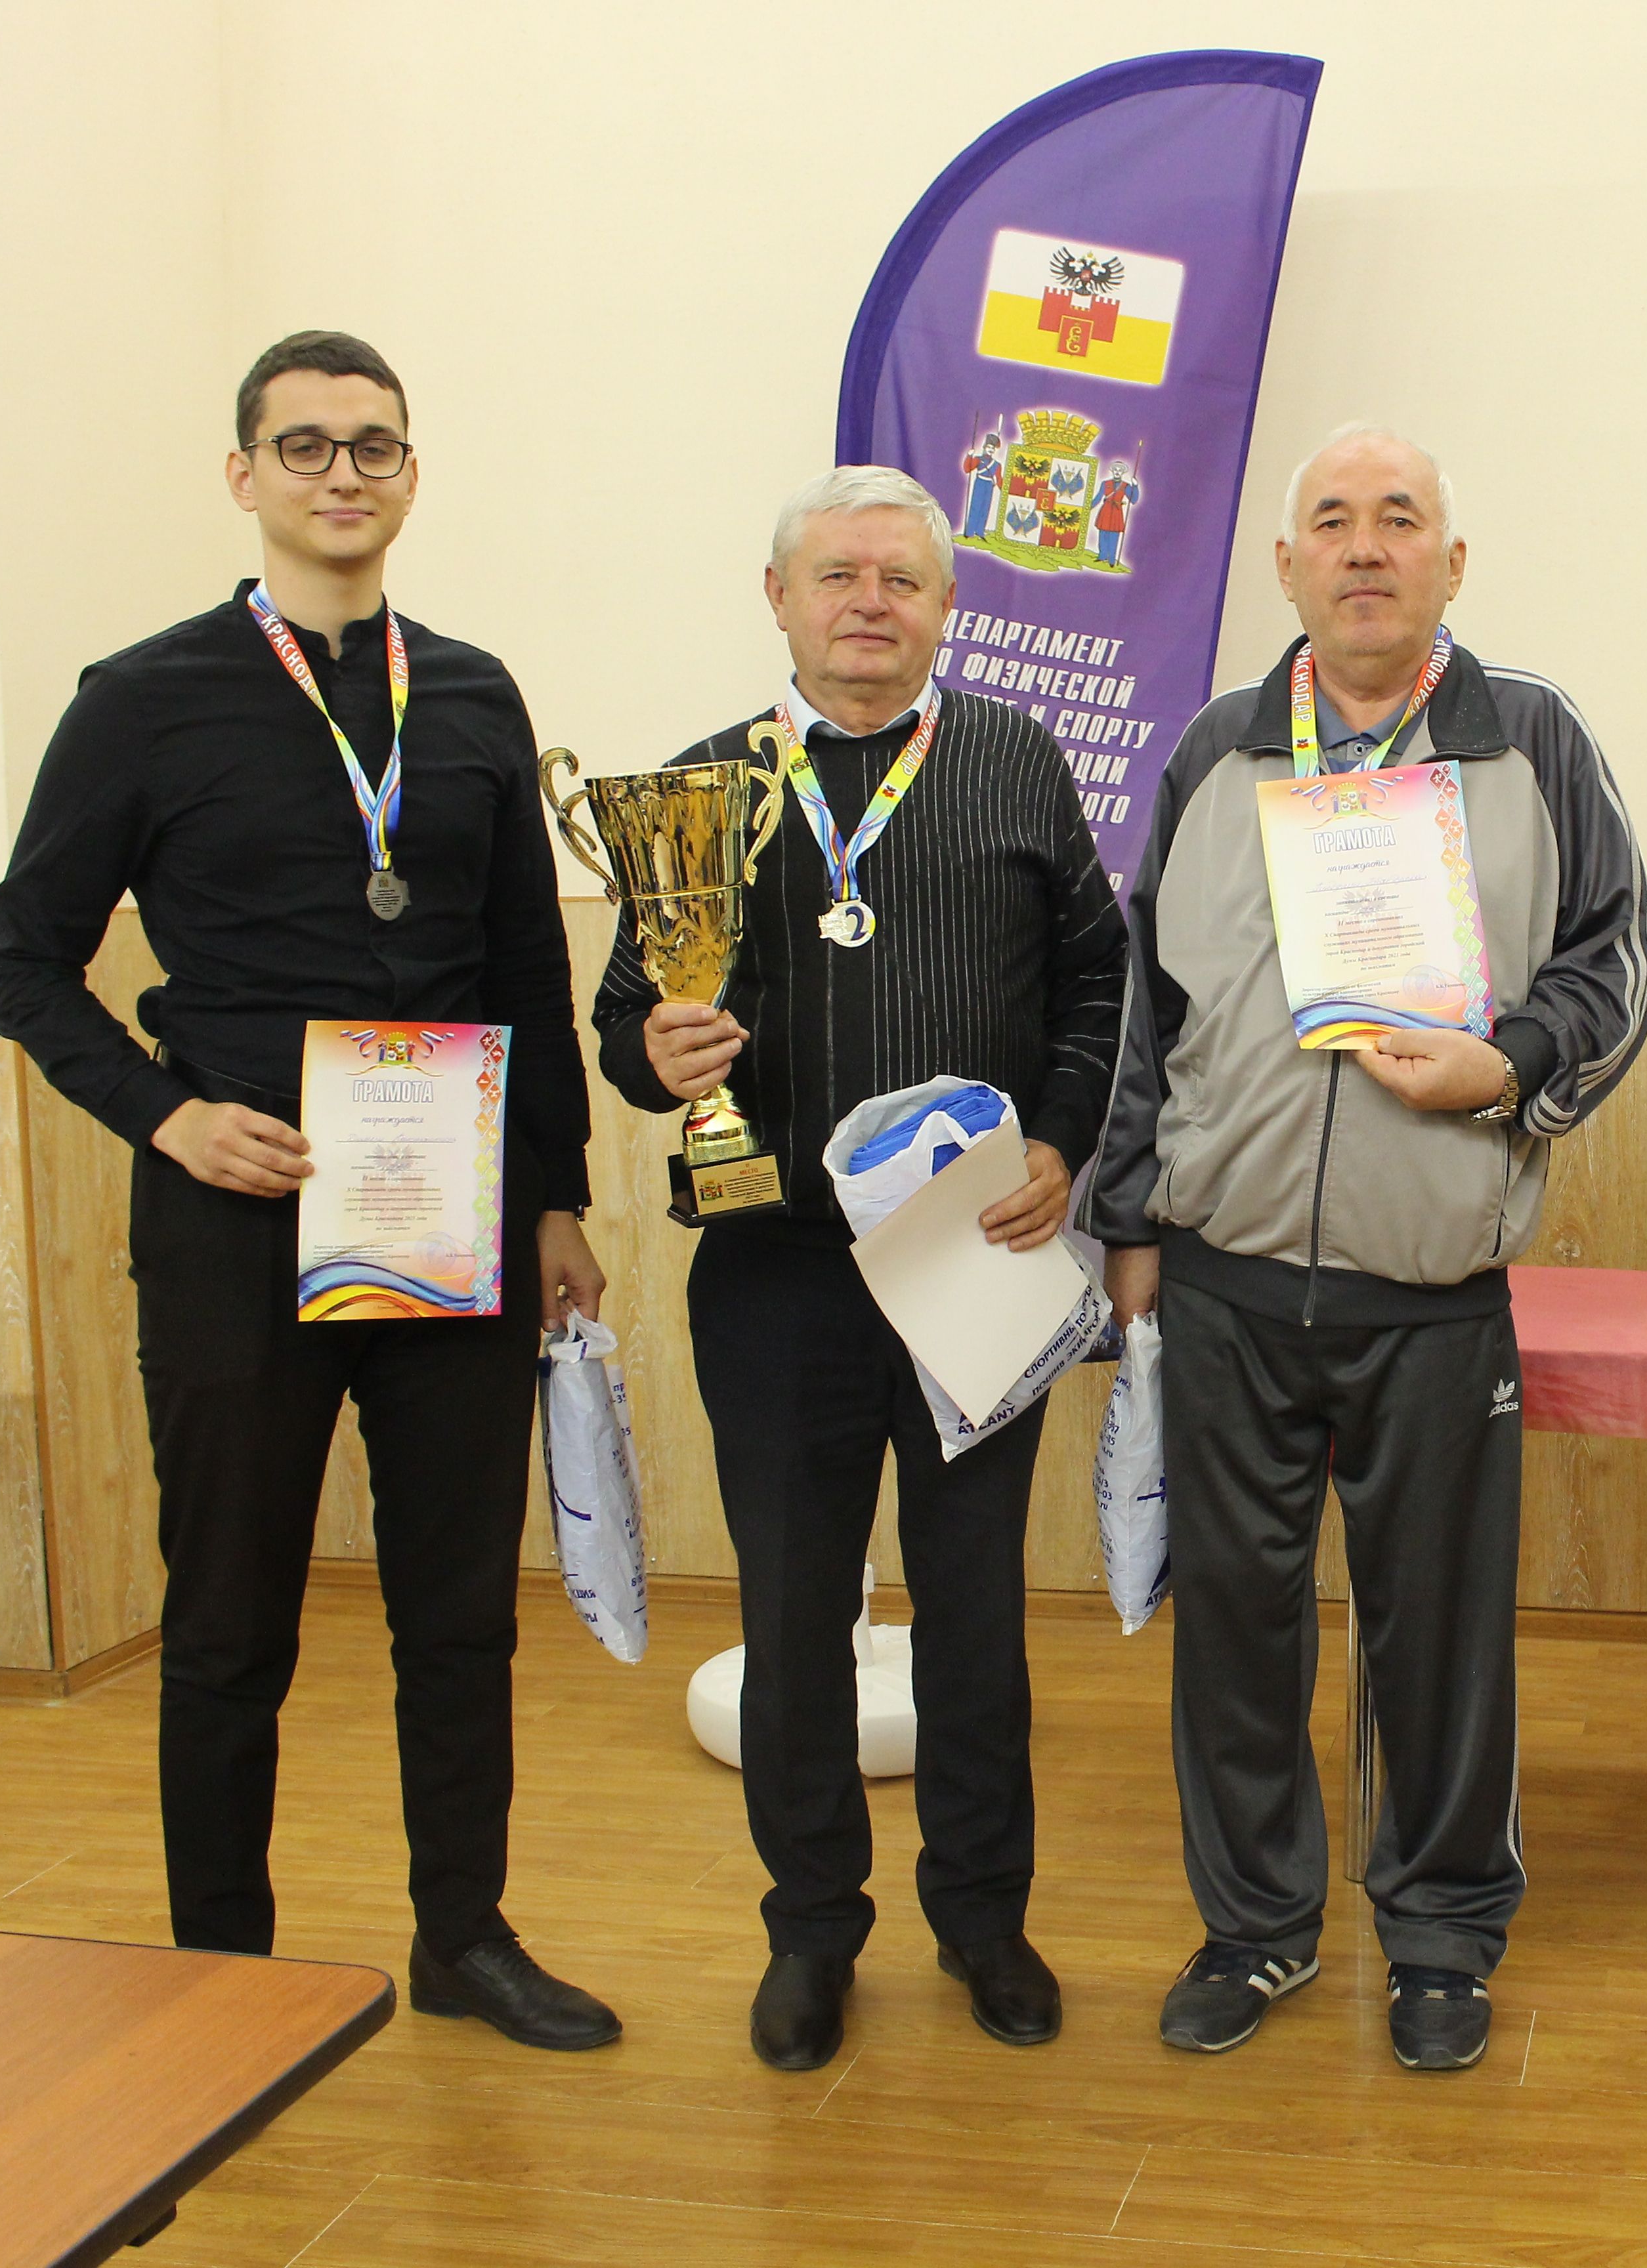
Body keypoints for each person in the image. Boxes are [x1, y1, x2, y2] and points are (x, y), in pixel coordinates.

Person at [0, 331, 620, 2048]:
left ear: (411, 474)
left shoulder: (472, 695)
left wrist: (555, 1197)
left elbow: (524, 969)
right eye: (309, 445)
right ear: (245, 474)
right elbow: (23, 960)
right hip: (237, 1217)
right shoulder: (142, 699)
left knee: (459, 1618)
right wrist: (168, 1119)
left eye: (375, 446)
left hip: (452, 1214)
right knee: (229, 1619)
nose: (345, 474)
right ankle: (221, 1978)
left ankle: (465, 1941)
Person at [1089, 423, 1647, 2073]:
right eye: (1330, 522)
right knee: (1237, 1633)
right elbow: (1143, 1009)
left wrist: (1514, 1067)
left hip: (1433, 1289)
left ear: (1451, 563)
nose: (1363, 547)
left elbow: (1618, 961)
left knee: (1441, 1640)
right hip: (1227, 1275)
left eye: (1398, 519)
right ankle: (1256, 1929)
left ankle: (1443, 1936)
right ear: (1285, 568)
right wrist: (1132, 1220)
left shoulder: (1530, 740)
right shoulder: (1216, 750)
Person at [593, 466, 1125, 2074]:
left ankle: (983, 1920)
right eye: (837, 575)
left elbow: (1097, 980)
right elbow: (621, 1020)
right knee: (794, 1616)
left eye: (901, 578)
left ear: (946, 605)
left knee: (974, 1615)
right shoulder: (700, 789)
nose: (869, 603)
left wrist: (1063, 1139)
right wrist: (653, 1050)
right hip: (776, 1281)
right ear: (781, 599)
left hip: (976, 1261)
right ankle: (812, 1933)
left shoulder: (1016, 761)